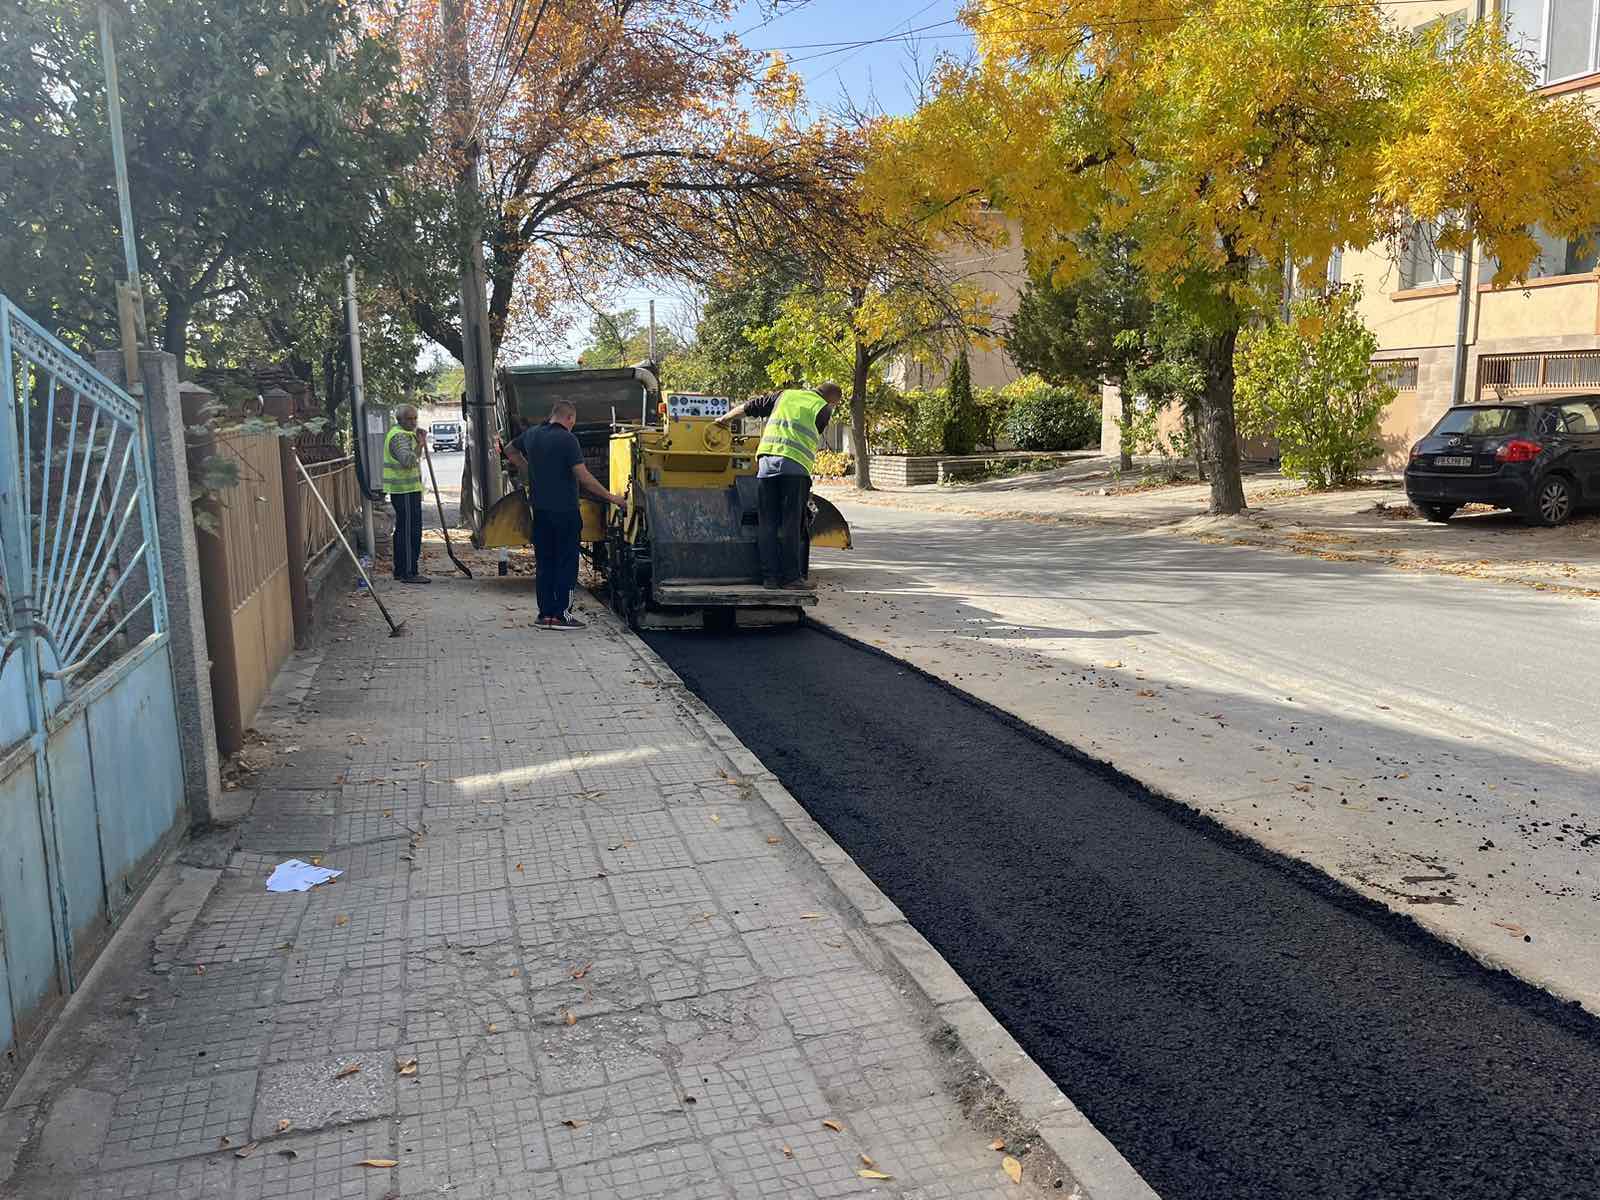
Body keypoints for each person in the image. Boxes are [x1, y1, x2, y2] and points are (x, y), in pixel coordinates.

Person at [503, 400, 626, 629]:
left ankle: (545, 615)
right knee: (566, 564)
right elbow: (583, 476)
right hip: (565, 512)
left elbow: (509, 449)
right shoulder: (567, 439)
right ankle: (562, 616)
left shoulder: (532, 435)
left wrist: (527, 469)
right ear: (569, 418)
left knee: (545, 563)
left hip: (540, 511)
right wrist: (613, 498)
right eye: (573, 421)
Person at [716, 382, 839, 590]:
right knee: (791, 523)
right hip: (795, 467)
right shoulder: (823, 409)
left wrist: (723, 419)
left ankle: (770, 578)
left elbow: (751, 406)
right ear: (832, 399)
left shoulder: (785, 395)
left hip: (766, 465)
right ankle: (791, 578)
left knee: (767, 523)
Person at [382, 404, 429, 584]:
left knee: (404, 530)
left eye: (415, 418)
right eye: (409, 419)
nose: (413, 422)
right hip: (405, 491)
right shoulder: (399, 436)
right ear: (399, 420)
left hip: (407, 491)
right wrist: (420, 445)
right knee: (410, 531)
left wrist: (418, 441)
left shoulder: (404, 434)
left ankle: (402, 570)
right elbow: (408, 461)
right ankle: (409, 571)